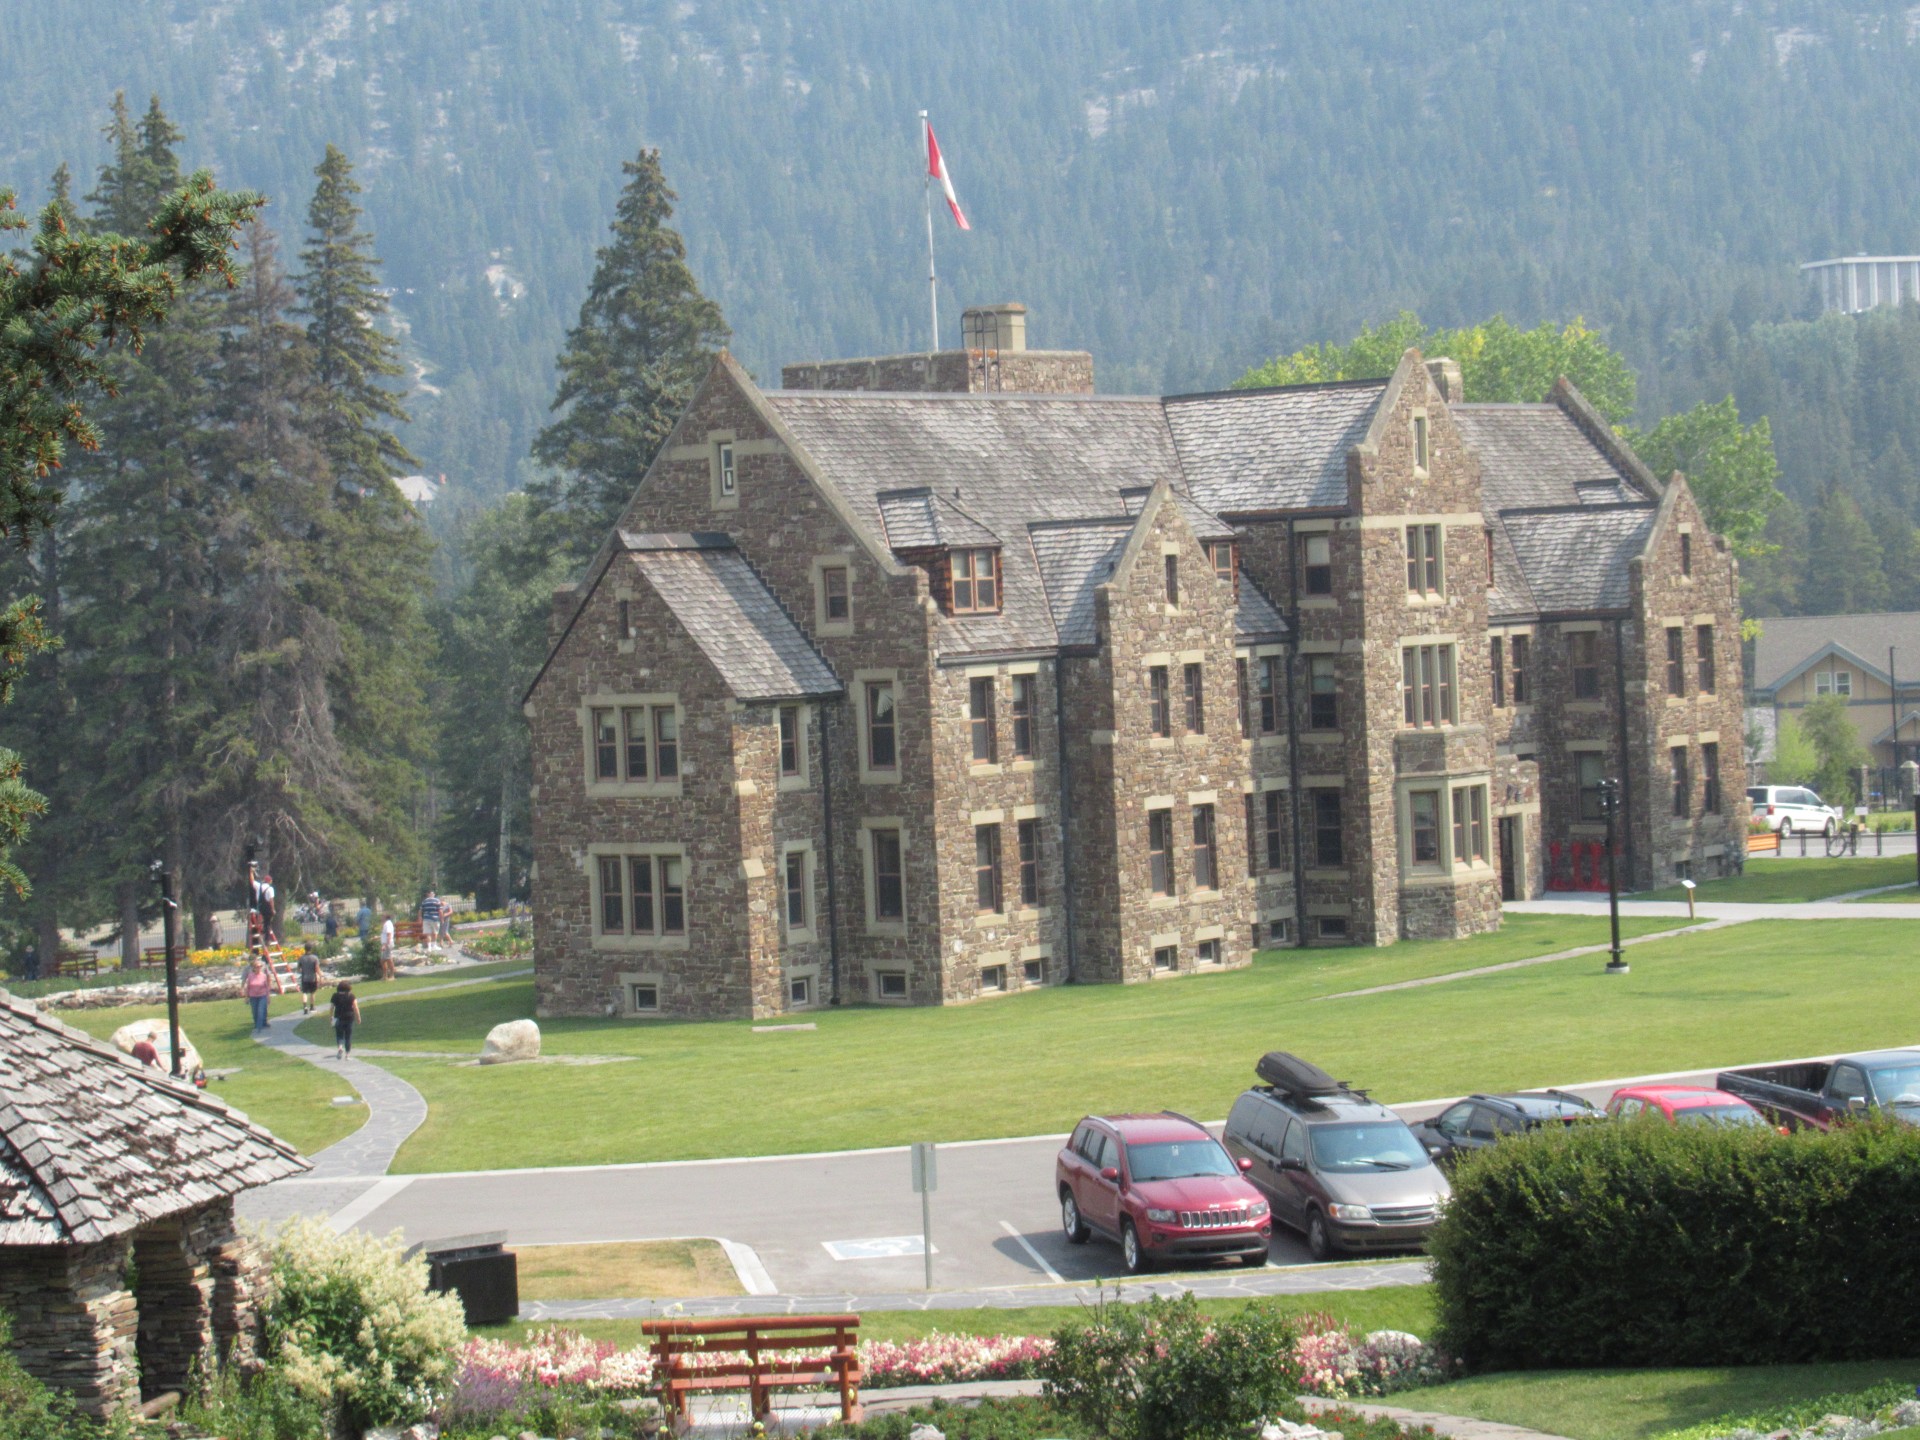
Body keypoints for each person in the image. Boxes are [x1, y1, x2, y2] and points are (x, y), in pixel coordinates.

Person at [242, 955, 282, 1032]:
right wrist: (246, 997)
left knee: (261, 1010)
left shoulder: (263, 976)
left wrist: (268, 996)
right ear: (254, 968)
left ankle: (260, 1025)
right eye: (257, 967)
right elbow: (248, 987)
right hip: (253, 996)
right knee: (255, 1011)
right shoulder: (250, 976)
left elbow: (266, 986)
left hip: (262, 995)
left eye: (260, 966)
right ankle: (257, 1024)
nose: (259, 968)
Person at [330, 980, 362, 1059]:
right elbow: (355, 1007)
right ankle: (347, 1055)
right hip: (349, 1018)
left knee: (339, 1034)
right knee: (348, 1036)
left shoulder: (335, 996)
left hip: (338, 1018)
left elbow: (331, 1007)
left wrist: (331, 1017)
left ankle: (340, 1048)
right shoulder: (351, 996)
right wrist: (358, 1017)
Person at [296, 946, 321, 1015]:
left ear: (305, 949)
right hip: (313, 978)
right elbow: (317, 968)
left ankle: (305, 1007)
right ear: (311, 949)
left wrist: (303, 971)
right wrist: (320, 975)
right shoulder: (314, 958)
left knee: (304, 993)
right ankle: (312, 1007)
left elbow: (298, 969)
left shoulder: (301, 958)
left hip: (304, 978)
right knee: (312, 992)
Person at [379, 914, 395, 980]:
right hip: (386, 943)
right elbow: (385, 935)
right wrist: (378, 937)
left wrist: (385, 945)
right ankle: (385, 976)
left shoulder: (387, 924)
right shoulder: (387, 924)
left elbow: (389, 935)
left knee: (388, 960)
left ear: (385, 917)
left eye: (382, 916)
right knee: (383, 960)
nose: (381, 918)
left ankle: (392, 976)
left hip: (387, 944)